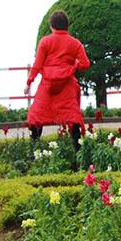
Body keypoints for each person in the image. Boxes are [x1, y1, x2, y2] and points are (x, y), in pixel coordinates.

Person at [23, 10, 90, 151]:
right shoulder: (75, 43)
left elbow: (37, 65)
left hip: (47, 85)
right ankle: (77, 152)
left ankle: (34, 150)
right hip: (67, 86)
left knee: (36, 116)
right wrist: (75, 64)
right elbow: (85, 64)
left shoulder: (45, 42)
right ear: (67, 26)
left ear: (52, 26)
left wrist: (29, 82)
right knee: (73, 117)